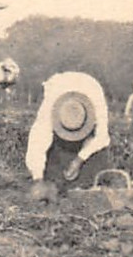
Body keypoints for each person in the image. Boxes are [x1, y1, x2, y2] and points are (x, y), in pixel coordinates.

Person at [25, 71, 113, 201]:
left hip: (90, 86)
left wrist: (79, 159)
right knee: (53, 176)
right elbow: (37, 142)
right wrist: (37, 178)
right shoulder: (52, 102)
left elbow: (102, 137)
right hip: (59, 86)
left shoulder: (96, 99)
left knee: (91, 179)